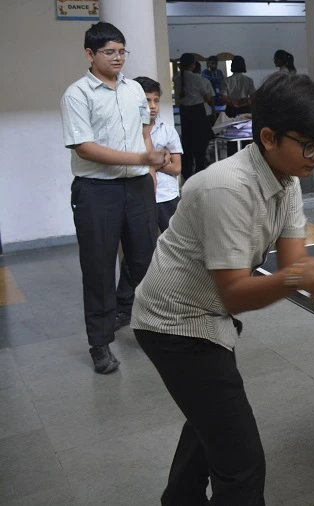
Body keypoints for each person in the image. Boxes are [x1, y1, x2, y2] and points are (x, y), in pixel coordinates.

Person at [132, 72, 314, 504]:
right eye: (310, 144)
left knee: (208, 424)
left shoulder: (287, 180)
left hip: (210, 315)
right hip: (173, 324)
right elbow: (238, 292)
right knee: (241, 461)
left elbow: (294, 267)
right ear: (269, 137)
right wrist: (303, 276)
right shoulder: (226, 188)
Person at [59, 21, 170, 374]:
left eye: (122, 51)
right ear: (90, 55)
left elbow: (144, 134)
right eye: (110, 52)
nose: (118, 58)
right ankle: (100, 343)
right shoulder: (77, 94)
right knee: (98, 267)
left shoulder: (135, 91)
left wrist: (150, 172)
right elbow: (85, 148)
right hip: (97, 191)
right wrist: (141, 160)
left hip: (137, 187)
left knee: (145, 260)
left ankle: (126, 307)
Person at [115, 76, 184, 328]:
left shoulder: (167, 130)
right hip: (139, 199)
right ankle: (124, 307)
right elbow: (128, 162)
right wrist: (155, 158)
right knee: (135, 254)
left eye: (156, 100)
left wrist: (156, 162)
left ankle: (179, 301)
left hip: (167, 198)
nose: (153, 106)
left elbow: (176, 168)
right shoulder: (129, 132)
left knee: (176, 249)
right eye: (147, 101)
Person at [174, 53, 215, 178]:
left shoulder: (176, 78)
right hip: (197, 111)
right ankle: (200, 170)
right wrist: (212, 107)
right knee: (200, 142)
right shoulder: (197, 79)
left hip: (184, 112)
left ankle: (186, 172)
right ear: (192, 65)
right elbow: (208, 97)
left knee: (187, 141)